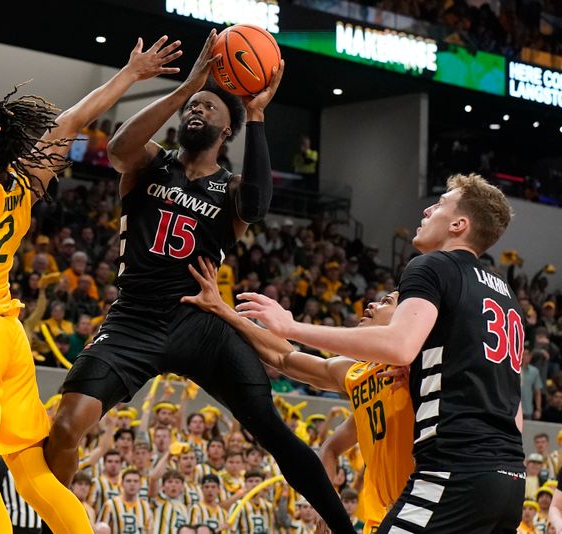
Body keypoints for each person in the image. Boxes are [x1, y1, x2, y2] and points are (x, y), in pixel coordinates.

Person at [44, 31, 349, 533]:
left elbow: (257, 206)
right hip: (134, 319)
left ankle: (345, 530)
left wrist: (257, 115)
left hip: (199, 320)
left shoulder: (230, 190)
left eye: (209, 108)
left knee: (272, 431)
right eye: (195, 107)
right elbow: (119, 146)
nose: (198, 111)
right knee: (64, 426)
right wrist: (189, 85)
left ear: (226, 130)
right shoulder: (149, 164)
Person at [0, 35, 183, 534]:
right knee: (33, 472)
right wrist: (129, 75)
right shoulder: (24, 186)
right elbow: (72, 122)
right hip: (9, 336)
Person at [237, 174, 525, 533]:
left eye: (440, 204)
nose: (427, 208)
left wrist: (290, 327)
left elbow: (398, 345)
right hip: (510, 479)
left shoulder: (433, 265)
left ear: (458, 224)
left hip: (454, 469)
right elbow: (514, 409)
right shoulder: (505, 295)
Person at [184, 258, 412, 533]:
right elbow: (284, 357)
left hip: (429, 506)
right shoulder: (355, 373)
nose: (372, 304)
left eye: (386, 302)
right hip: (385, 517)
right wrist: (222, 309)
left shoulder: (421, 367)